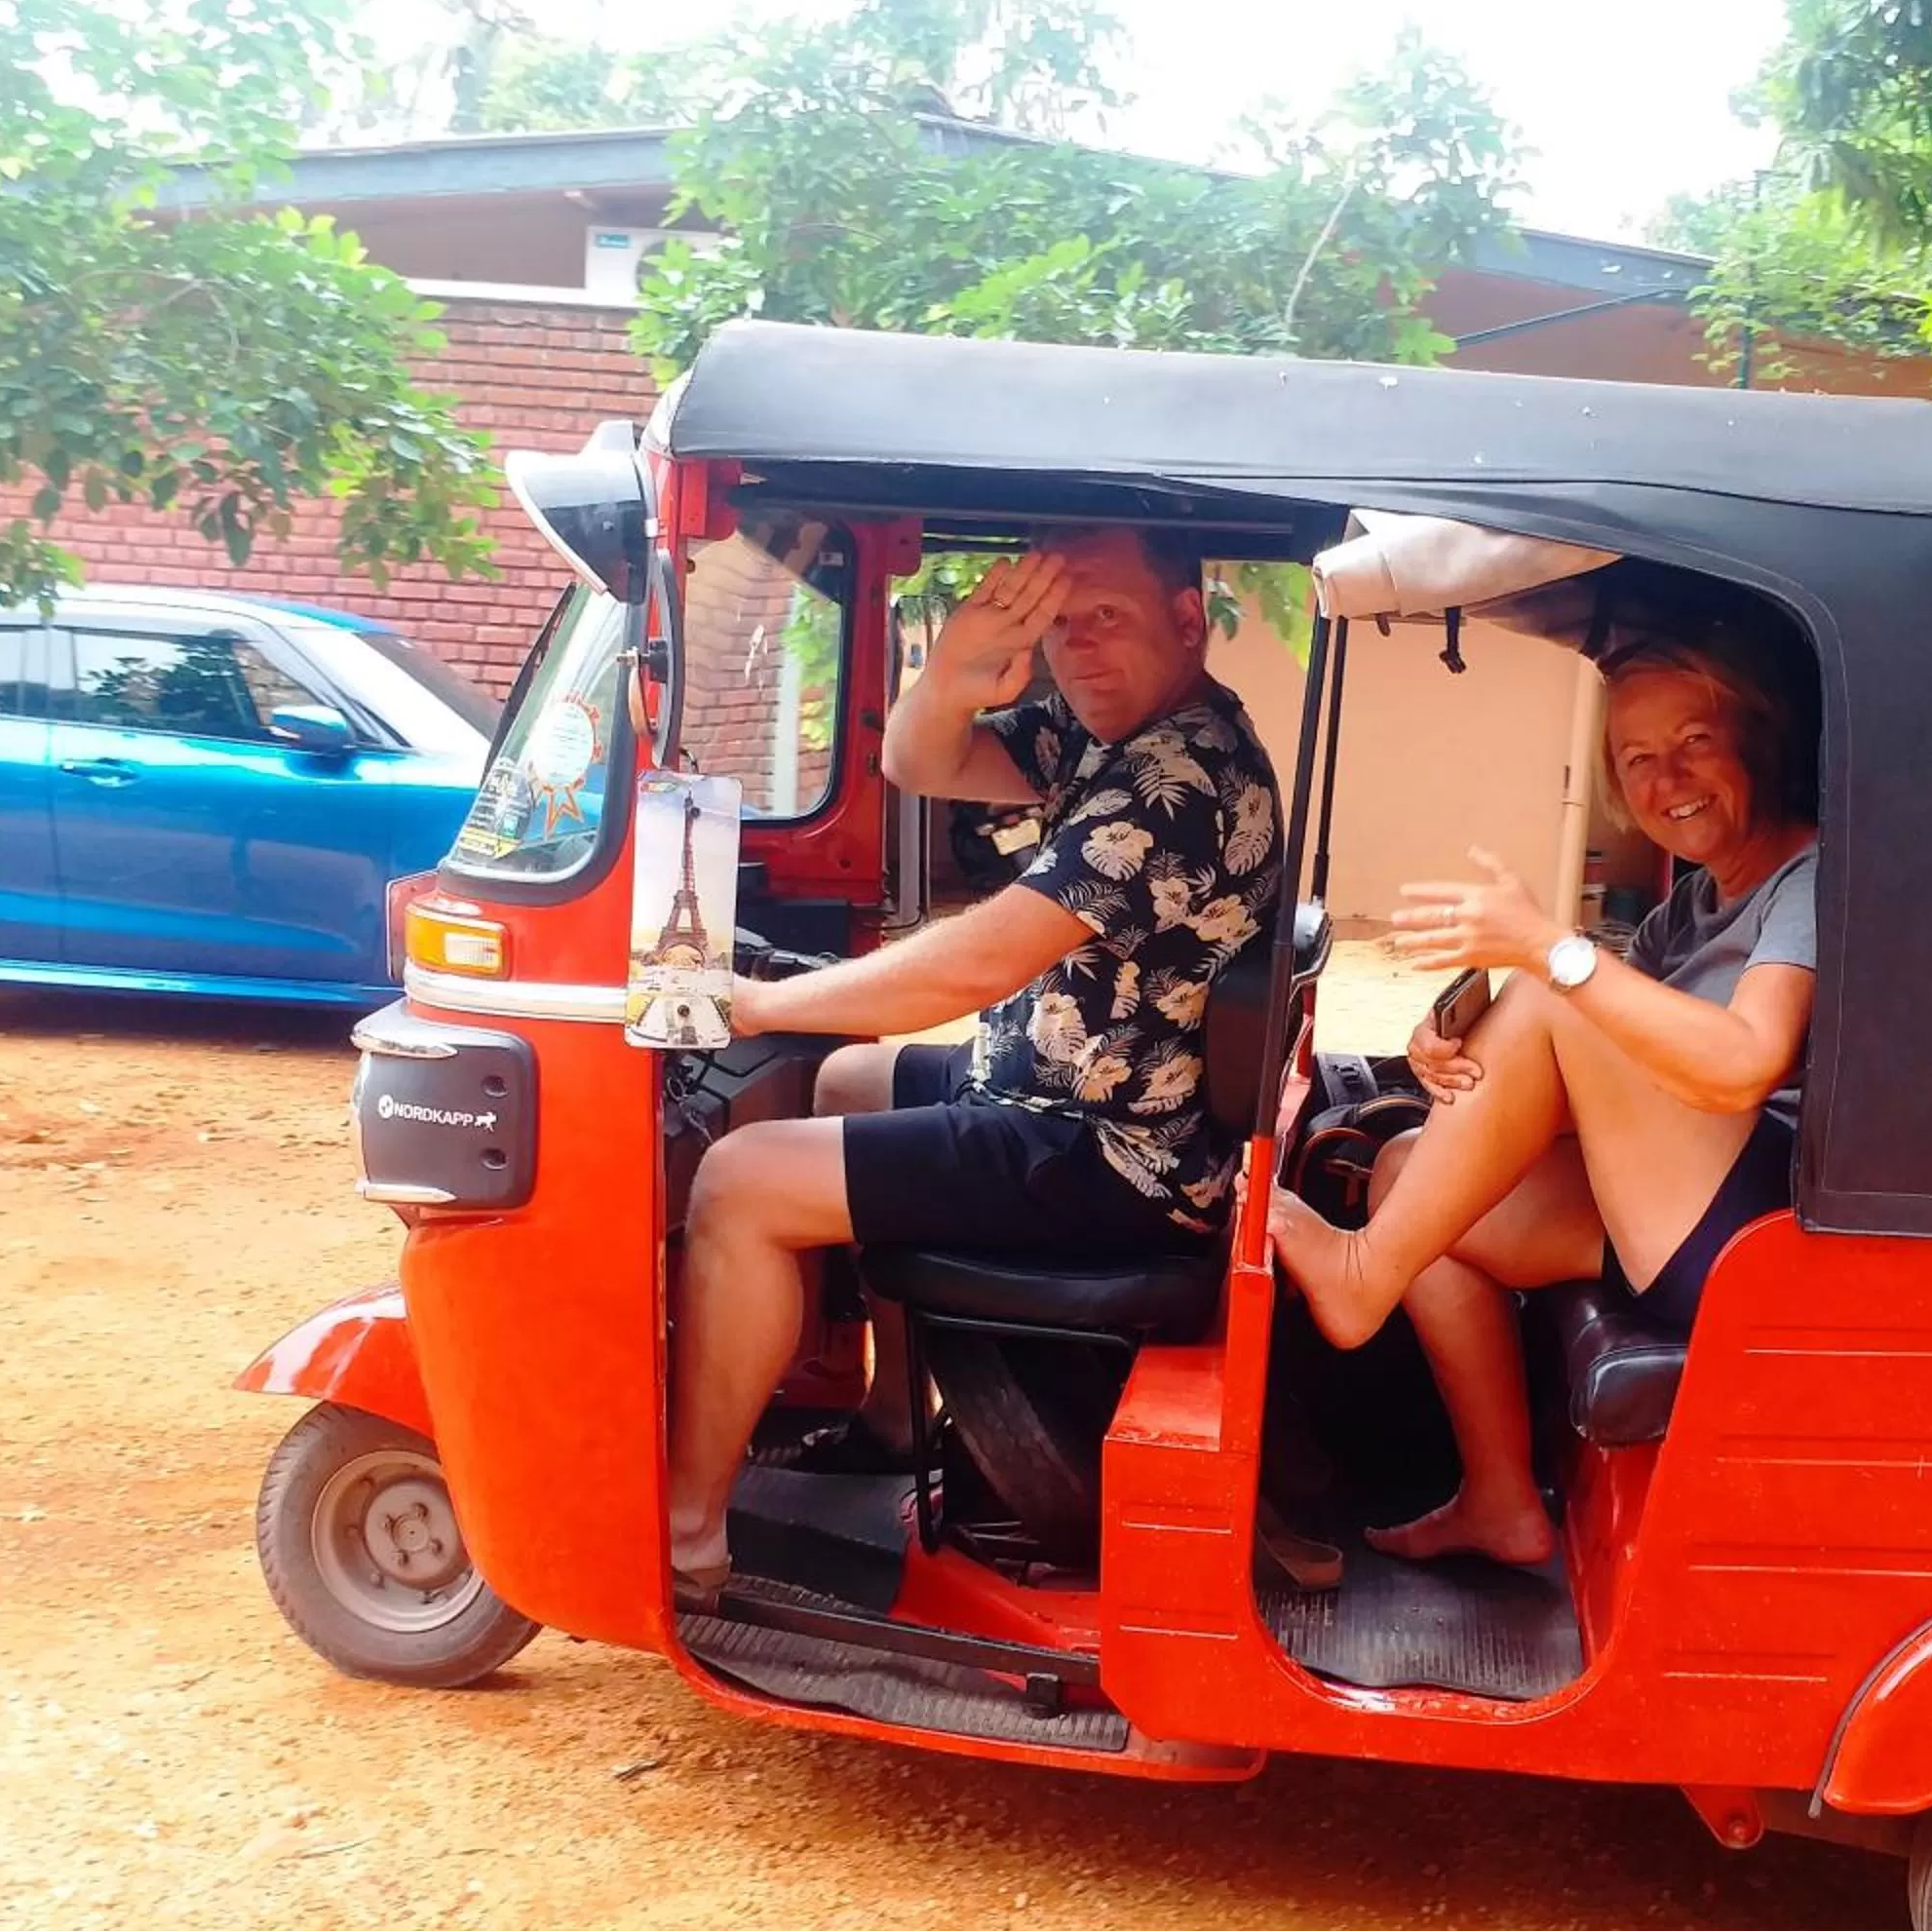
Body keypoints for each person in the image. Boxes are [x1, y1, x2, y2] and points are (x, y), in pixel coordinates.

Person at [666, 527, 1283, 1603]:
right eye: (1061, 623)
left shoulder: (1177, 780)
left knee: (738, 1182)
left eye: (1108, 617)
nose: (1079, 648)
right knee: (849, 1080)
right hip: (1068, 1078)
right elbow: (919, 763)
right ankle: (895, 1419)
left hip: (1109, 1151)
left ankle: (684, 1534)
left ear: (1188, 621)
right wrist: (952, 673)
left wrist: (752, 1002)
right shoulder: (1113, 727)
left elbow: (972, 965)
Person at [1270, 625, 1818, 1566]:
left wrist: (1546, 954)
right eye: (1637, 759)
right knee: (1407, 1176)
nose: (1668, 779)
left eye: (1695, 742)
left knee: (1552, 986)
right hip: (1683, 1212)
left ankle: (1360, 1278)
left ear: (1757, 743)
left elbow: (1741, 1064)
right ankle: (1501, 1501)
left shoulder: (1810, 878)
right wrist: (1458, 1053)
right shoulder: (1695, 904)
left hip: (1763, 1238)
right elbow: (1608, 1065)